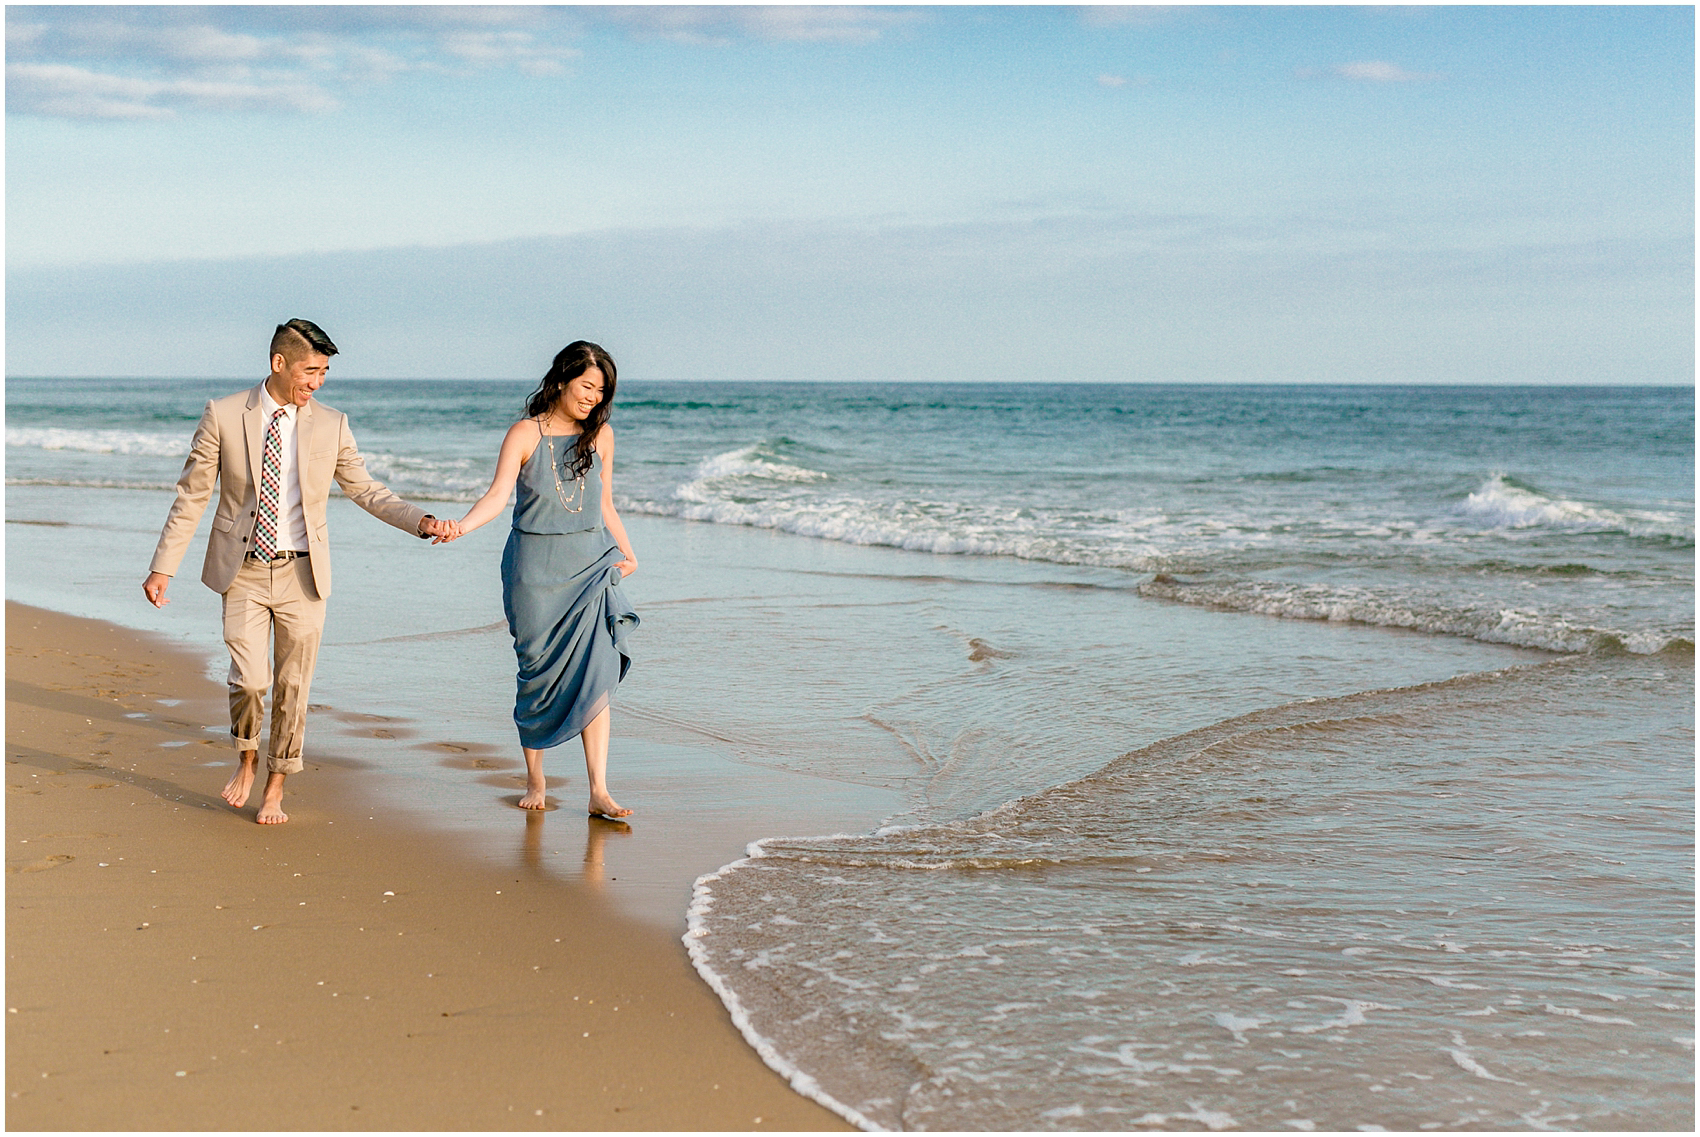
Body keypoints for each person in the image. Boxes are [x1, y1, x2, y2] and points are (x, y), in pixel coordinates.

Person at [141, 319, 454, 824]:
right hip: (240, 570)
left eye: (325, 372)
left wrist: (420, 521)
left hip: (303, 575)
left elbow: (366, 490)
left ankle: (276, 785)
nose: (317, 382)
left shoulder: (331, 423)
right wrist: (163, 567)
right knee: (250, 680)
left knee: (293, 687)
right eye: (310, 370)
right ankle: (246, 757)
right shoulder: (223, 415)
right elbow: (193, 494)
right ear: (278, 363)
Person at [438, 340, 639, 818]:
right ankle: (535, 778)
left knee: (596, 671)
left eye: (601, 390)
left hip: (590, 564)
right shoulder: (524, 434)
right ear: (562, 379)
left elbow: (606, 504)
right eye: (587, 385)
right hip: (533, 569)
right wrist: (460, 526)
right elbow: (497, 496)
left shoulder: (602, 436)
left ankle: (599, 790)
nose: (593, 396)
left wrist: (628, 551)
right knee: (536, 671)